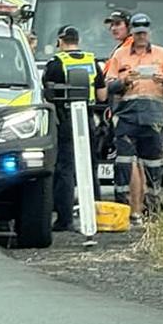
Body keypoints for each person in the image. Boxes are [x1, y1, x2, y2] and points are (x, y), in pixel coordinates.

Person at [104, 13, 163, 220]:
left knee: (153, 163)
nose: (141, 36)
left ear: (149, 32)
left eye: (144, 32)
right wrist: (124, 81)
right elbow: (108, 86)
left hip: (153, 114)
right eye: (137, 33)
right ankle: (124, 209)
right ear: (132, 33)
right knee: (124, 163)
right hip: (127, 114)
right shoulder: (120, 55)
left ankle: (151, 210)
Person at [41, 26, 107, 231]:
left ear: (61, 41)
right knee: (90, 167)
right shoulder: (92, 61)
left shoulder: (56, 63)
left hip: (66, 118)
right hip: (87, 117)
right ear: (77, 40)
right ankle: (96, 215)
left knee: (65, 169)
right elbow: (102, 96)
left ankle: (64, 218)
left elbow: (46, 93)